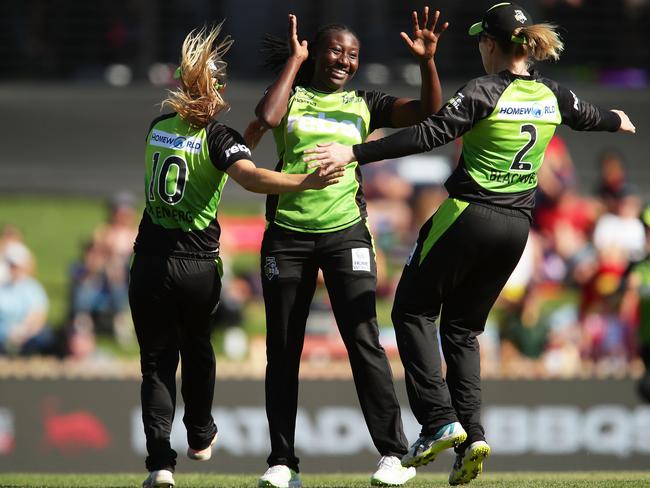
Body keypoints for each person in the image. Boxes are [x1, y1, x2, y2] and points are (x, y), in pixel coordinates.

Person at [304, 2, 635, 485]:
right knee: (462, 329)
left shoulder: (483, 90)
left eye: (482, 40)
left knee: (412, 312)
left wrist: (353, 153)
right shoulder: (550, 93)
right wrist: (616, 118)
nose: (479, 46)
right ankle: (473, 434)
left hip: (467, 216)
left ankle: (438, 421)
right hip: (516, 230)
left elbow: (427, 133)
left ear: (491, 45)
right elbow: (589, 117)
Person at [128, 24, 342, 488]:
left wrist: (252, 133)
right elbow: (247, 176)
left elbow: (219, 155)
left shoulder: (158, 127)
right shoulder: (218, 137)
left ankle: (160, 465)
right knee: (198, 348)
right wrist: (306, 181)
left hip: (149, 263)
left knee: (156, 364)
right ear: (218, 88)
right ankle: (200, 431)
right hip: (196, 265)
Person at [249, 8, 448, 488]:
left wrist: (427, 63)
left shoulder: (365, 102)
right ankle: (281, 463)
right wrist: (293, 62)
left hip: (346, 235)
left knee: (364, 342)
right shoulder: (290, 96)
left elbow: (429, 112)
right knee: (283, 349)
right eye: (335, 50)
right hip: (288, 237)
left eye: (353, 54)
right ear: (316, 52)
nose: (344, 60)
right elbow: (266, 117)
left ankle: (393, 455)